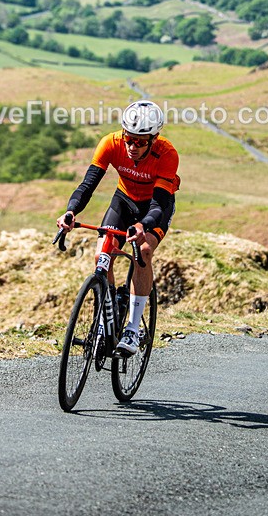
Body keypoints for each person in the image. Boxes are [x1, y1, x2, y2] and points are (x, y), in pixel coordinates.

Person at [56, 100, 180, 355]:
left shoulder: (167, 154)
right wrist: (71, 211)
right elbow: (87, 185)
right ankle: (107, 315)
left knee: (143, 251)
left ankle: (133, 329)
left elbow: (159, 205)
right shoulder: (110, 143)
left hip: (153, 208)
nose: (132, 146)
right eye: (128, 138)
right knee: (102, 253)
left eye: (140, 141)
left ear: (153, 139)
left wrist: (143, 225)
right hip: (123, 200)